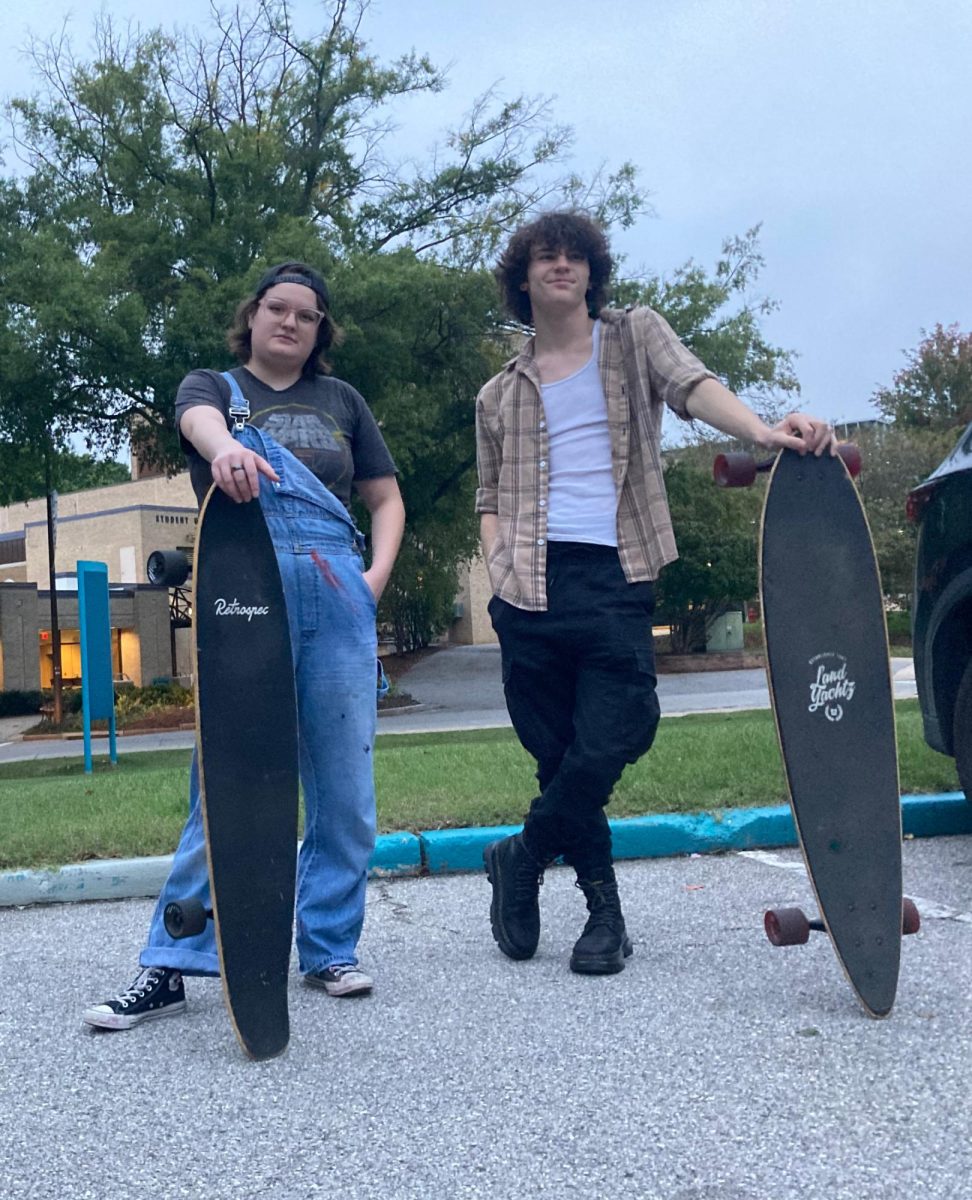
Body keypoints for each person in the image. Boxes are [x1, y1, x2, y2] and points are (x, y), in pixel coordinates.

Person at [476, 212, 835, 976]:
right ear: (523, 276)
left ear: (592, 272)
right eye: (546, 257)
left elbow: (693, 386)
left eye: (575, 256)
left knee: (618, 731)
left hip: (614, 572)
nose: (562, 266)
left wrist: (764, 431)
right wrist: (498, 567)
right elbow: (489, 496)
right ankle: (604, 916)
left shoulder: (633, 335)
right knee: (558, 756)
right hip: (528, 589)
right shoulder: (495, 395)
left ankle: (523, 854)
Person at [84, 262, 404, 1029]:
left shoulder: (343, 402)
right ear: (253, 316)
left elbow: (385, 497)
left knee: (344, 788)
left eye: (308, 315)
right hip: (247, 584)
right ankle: (171, 961)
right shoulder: (214, 388)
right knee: (227, 783)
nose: (291, 323)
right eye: (277, 309)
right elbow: (195, 423)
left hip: (337, 588)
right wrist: (224, 446)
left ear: (321, 331)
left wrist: (374, 579)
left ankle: (330, 947)